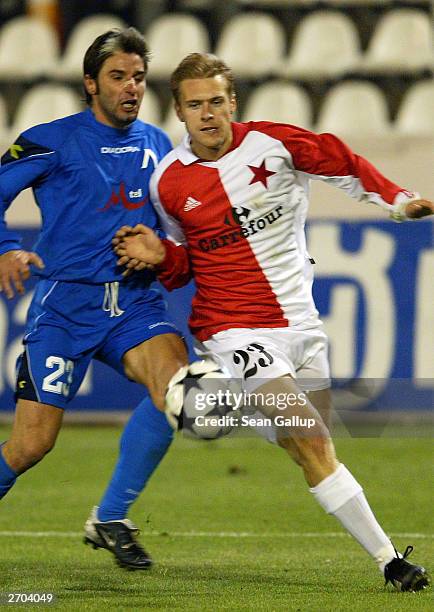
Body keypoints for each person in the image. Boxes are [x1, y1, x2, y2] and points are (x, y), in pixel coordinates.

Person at [113, 53, 432, 592]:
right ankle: (389, 562)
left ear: (232, 102)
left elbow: (344, 163)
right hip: (234, 328)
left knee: (306, 443)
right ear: (180, 113)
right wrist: (160, 256)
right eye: (195, 105)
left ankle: (228, 401)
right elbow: (185, 261)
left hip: (302, 326)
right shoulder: (169, 182)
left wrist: (399, 201)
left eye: (216, 101)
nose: (208, 114)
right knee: (310, 438)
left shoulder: (275, 144)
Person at [0, 27, 193, 571]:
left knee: (176, 390)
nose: (131, 87)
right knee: (31, 445)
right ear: (91, 83)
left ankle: (111, 517)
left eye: (138, 77)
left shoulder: (158, 145)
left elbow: (179, 225)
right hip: (66, 305)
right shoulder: (51, 139)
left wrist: (163, 249)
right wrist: (6, 248)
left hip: (134, 305)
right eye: (118, 77)